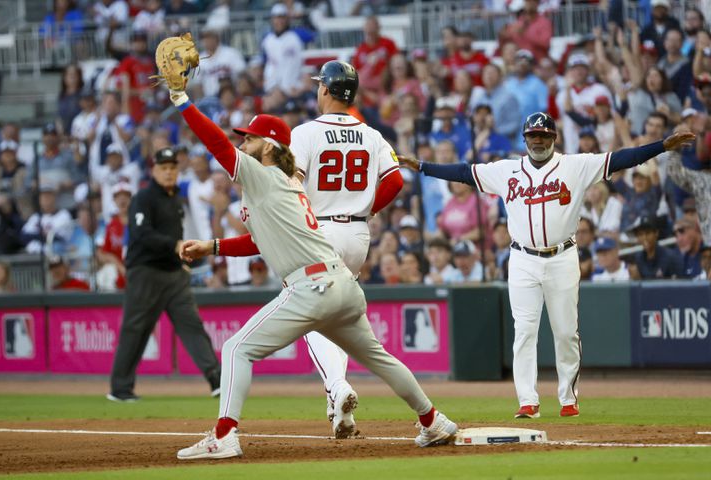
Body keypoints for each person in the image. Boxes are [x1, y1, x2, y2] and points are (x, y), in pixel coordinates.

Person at [168, 89, 457, 459]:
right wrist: (213, 247)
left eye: (251, 137)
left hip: (312, 285)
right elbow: (260, 240)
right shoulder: (283, 183)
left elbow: (217, 145)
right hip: (343, 286)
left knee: (236, 348)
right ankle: (433, 421)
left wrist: (182, 101)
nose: (244, 142)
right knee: (378, 357)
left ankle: (224, 436)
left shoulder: (264, 176)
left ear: (270, 146)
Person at [399, 111, 694, 418]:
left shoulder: (575, 166)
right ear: (525, 139)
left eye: (543, 135)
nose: (537, 140)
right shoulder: (507, 170)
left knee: (566, 332)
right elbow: (463, 172)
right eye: (532, 136)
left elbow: (622, 159)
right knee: (524, 331)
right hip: (523, 258)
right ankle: (528, 400)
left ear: (554, 138)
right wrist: (421, 166)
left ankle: (568, 398)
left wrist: (660, 146)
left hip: (562, 257)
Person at [290, 60, 404, 437]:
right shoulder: (371, 134)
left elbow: (293, 186)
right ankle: (340, 412)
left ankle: (337, 387)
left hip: (318, 230)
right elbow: (395, 181)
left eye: (319, 85)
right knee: (336, 318)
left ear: (325, 89)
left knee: (311, 315)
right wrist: (365, 208)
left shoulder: (305, 132)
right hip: (357, 233)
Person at [108, 148, 221, 402]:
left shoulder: (174, 199)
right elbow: (141, 234)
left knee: (192, 325)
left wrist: (180, 260)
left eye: (173, 167)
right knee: (135, 329)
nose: (169, 172)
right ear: (154, 171)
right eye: (164, 167)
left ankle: (217, 380)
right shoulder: (144, 198)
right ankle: (120, 389)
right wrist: (173, 246)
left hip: (173, 274)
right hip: (145, 272)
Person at [628, 215, 684, 280]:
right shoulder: (637, 259)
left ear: (656, 233)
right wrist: (636, 279)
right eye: (640, 234)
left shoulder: (670, 258)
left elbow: (678, 286)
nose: (644, 238)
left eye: (648, 233)